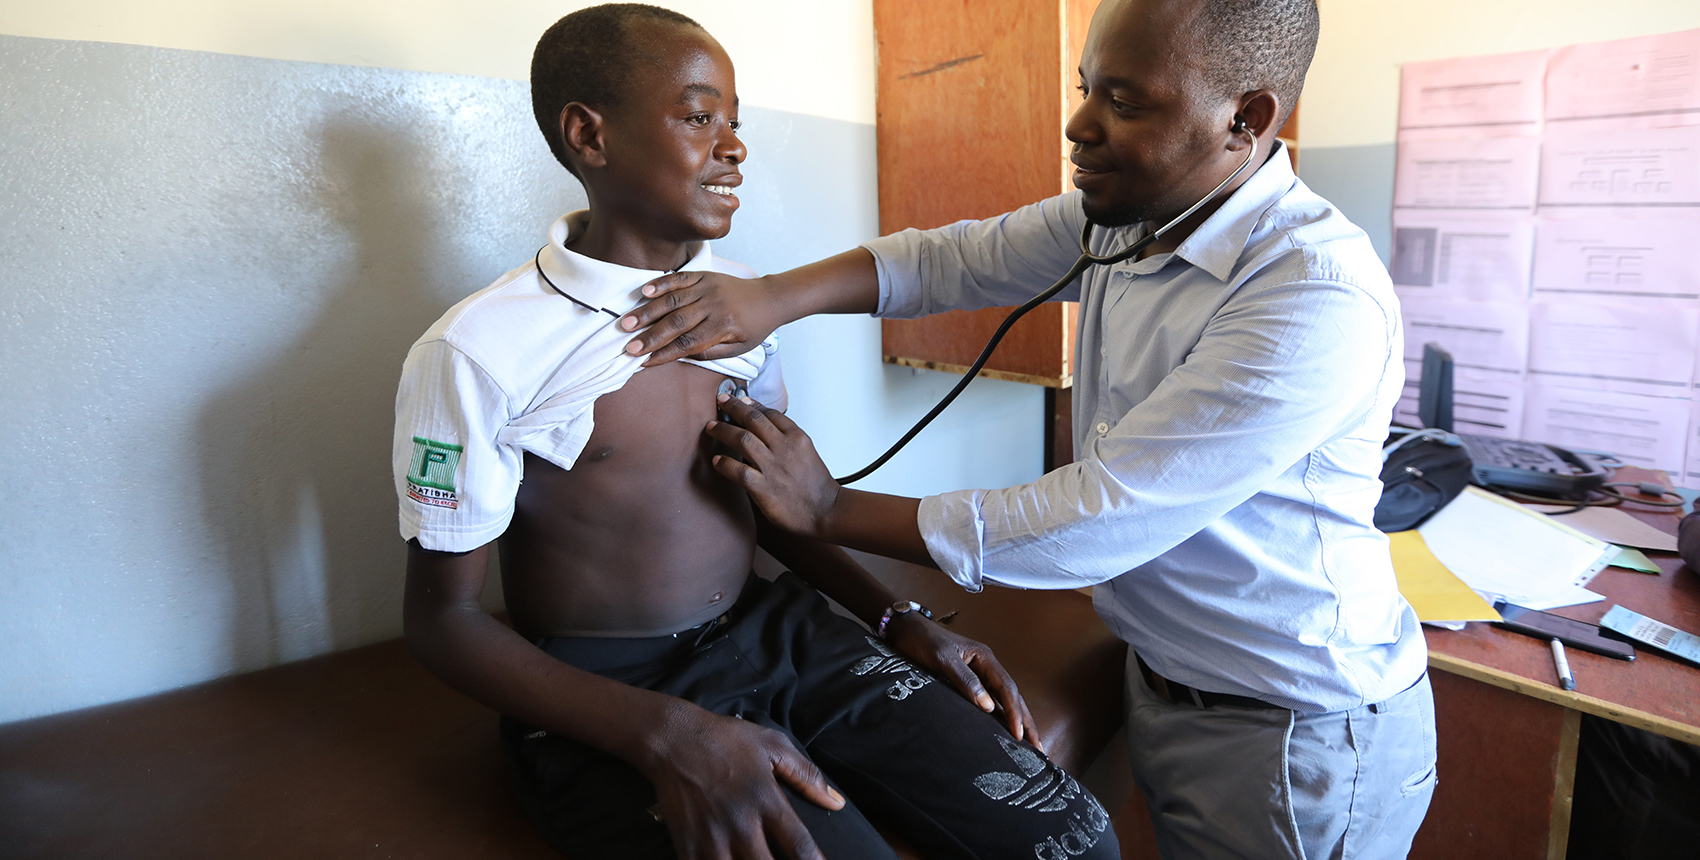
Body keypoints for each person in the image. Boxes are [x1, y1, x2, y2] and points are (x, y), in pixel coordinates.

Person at [619, 0, 1438, 857]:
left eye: (1125, 102)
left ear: (1247, 117)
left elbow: (1099, 518)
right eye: (1088, 89)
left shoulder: (1311, 293)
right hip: (1166, 681)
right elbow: (956, 258)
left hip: (1288, 729)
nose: (1078, 125)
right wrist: (771, 297)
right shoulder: (1133, 217)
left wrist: (830, 511)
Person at [392, 5, 1119, 860]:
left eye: (734, 123)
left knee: (1075, 839)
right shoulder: (480, 349)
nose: (734, 147)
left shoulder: (741, 303)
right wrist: (669, 737)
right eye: (700, 118)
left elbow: (782, 503)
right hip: (615, 680)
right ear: (590, 136)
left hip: (776, 630)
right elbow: (442, 621)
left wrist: (901, 622)